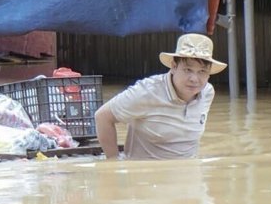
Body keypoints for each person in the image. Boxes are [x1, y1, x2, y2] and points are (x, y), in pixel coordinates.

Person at [94, 32, 225, 160]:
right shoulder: (147, 91)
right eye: (188, 70)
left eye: (202, 71)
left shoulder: (207, 92)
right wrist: (113, 162)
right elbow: (102, 117)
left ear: (209, 74)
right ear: (174, 67)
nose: (194, 79)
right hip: (148, 177)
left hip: (190, 174)